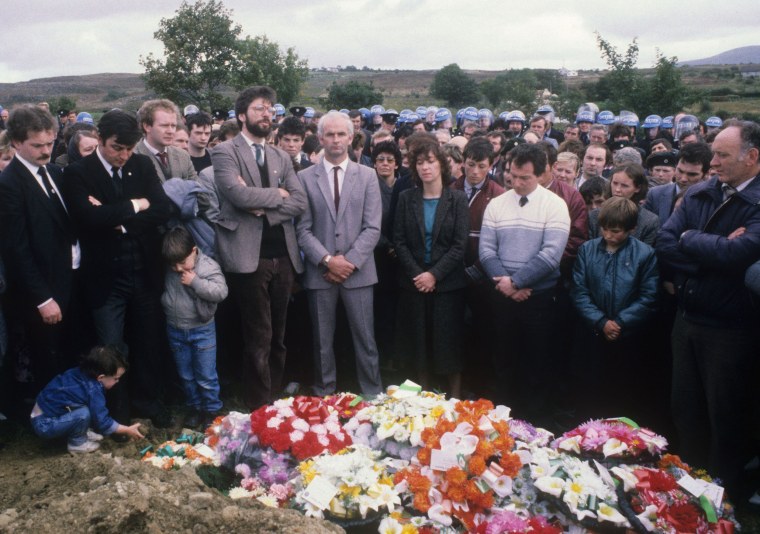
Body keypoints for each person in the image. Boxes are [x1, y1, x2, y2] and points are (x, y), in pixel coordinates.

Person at [657, 120, 760, 501]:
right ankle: (689, 488)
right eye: (712, 152)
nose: (712, 162)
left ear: (752, 157)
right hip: (687, 321)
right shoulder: (702, 193)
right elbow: (665, 242)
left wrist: (691, 241)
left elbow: (741, 256)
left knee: (726, 416)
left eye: (722, 155)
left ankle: (723, 495)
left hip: (731, 329)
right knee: (685, 409)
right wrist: (708, 251)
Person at [61, 109, 173, 428]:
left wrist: (120, 223)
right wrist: (137, 205)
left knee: (149, 341)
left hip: (144, 272)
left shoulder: (141, 164)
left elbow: (163, 209)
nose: (124, 155)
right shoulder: (78, 173)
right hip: (105, 280)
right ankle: (117, 414)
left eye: (129, 148)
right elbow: (89, 219)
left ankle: (148, 403)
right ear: (99, 138)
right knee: (111, 349)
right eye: (117, 147)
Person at [212, 86, 307, 409]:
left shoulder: (282, 155)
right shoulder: (225, 152)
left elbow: (299, 201)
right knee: (258, 336)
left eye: (270, 108)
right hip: (250, 258)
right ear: (241, 115)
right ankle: (258, 406)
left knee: (278, 337)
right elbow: (237, 197)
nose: (267, 114)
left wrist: (263, 202)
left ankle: (276, 399)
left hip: (284, 256)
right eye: (258, 108)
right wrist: (276, 194)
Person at [479, 143, 570, 421]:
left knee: (536, 363)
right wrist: (507, 286)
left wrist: (516, 282)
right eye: (512, 175)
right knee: (503, 361)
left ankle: (533, 426)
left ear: (542, 174)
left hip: (538, 299)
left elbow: (551, 255)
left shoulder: (555, 205)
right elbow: (486, 251)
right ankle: (501, 423)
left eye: (525, 178)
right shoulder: (496, 204)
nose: (516, 183)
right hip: (502, 297)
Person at [295, 111, 383, 397]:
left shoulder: (368, 176)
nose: (335, 139)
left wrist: (349, 262)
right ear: (320, 138)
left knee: (366, 340)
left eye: (340, 134)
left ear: (350, 137)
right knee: (322, 341)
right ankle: (324, 396)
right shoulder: (305, 178)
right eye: (329, 134)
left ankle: (372, 396)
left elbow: (372, 227)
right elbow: (303, 229)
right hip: (320, 272)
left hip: (358, 273)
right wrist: (328, 260)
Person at [0, 105, 82, 407]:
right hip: (44, 290)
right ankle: (54, 420)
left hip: (71, 278)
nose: (47, 151)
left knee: (72, 349)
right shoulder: (8, 185)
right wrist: (43, 298)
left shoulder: (54, 173)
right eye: (38, 145)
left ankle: (76, 411)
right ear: (16, 143)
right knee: (49, 358)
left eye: (50, 143)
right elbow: (16, 250)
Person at [393, 135, 468, 398]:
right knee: (419, 344)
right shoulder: (405, 198)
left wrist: (434, 275)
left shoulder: (457, 200)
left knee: (448, 345)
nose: (425, 167)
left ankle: (456, 401)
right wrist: (419, 275)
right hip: (414, 284)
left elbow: (459, 245)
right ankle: (424, 400)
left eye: (430, 162)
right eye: (419, 163)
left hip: (448, 285)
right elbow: (399, 241)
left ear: (441, 165)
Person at [570, 197, 658, 420]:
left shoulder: (645, 254)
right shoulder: (587, 250)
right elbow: (579, 291)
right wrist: (601, 321)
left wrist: (620, 322)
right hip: (592, 332)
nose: (609, 235)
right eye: (605, 229)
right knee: (589, 390)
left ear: (632, 229)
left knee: (622, 390)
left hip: (627, 335)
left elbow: (648, 296)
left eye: (616, 231)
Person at [161, 227, 227, 427]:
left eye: (182, 263)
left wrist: (195, 282)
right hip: (175, 329)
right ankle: (195, 407)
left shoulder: (207, 266)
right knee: (186, 375)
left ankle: (212, 410)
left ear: (194, 250)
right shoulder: (174, 265)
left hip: (201, 330)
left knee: (206, 375)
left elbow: (221, 292)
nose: (178, 269)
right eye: (173, 265)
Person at [30, 346, 144, 453]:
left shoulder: (80, 373)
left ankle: (82, 431)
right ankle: (77, 443)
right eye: (116, 378)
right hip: (45, 424)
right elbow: (102, 421)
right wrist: (126, 429)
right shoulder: (93, 389)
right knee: (83, 413)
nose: (117, 382)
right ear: (101, 377)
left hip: (42, 414)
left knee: (83, 406)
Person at [588, 163, 660, 247]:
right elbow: (589, 248)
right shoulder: (595, 215)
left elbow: (645, 255)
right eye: (615, 183)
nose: (617, 189)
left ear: (638, 188)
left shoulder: (649, 221)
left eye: (624, 186)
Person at [644, 142, 712, 226]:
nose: (683, 179)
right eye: (680, 171)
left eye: (692, 174)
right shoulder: (655, 195)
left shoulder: (712, 201)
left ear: (706, 174)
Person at [134, 99, 198, 183]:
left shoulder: (183, 156)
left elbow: (199, 191)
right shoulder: (132, 157)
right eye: (164, 125)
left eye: (173, 126)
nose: (171, 131)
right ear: (147, 126)